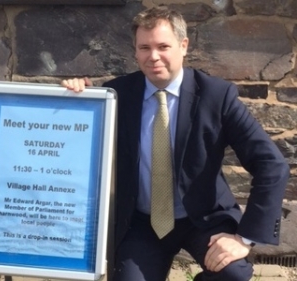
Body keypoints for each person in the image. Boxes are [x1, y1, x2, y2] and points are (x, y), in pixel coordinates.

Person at [62, 5, 289, 281]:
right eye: (144, 48)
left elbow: (271, 165)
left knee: (233, 275)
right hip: (140, 223)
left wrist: (244, 239)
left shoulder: (217, 97)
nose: (153, 56)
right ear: (135, 51)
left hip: (202, 220)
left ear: (183, 46)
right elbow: (71, 145)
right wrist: (77, 97)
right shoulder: (115, 96)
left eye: (163, 46)